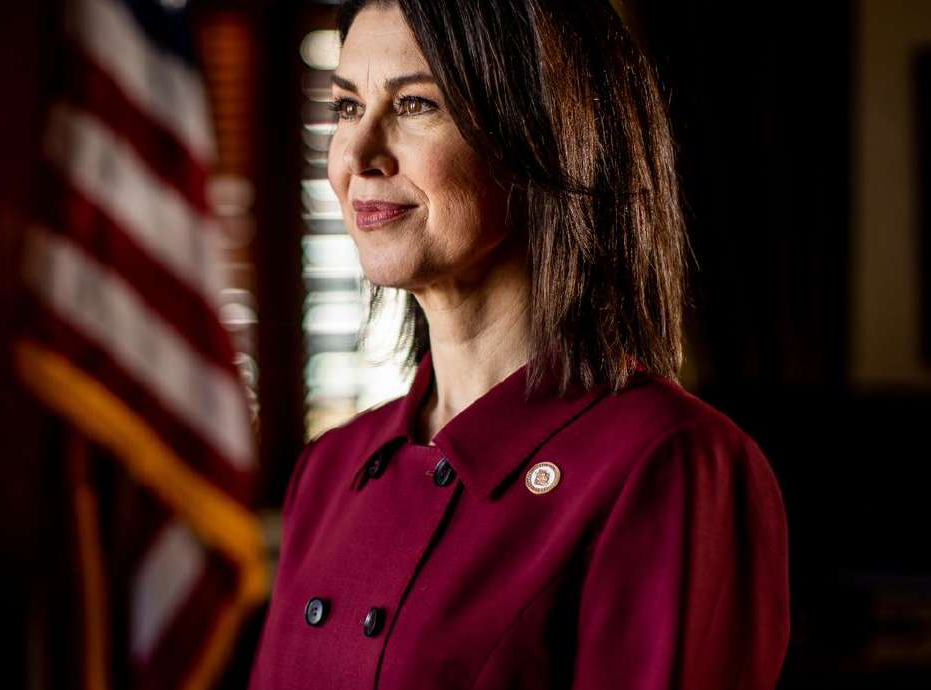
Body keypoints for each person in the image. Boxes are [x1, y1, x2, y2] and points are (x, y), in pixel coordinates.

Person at [247, 0, 790, 688]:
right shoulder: (329, 470)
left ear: (544, 133)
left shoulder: (672, 465)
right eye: (348, 107)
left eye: (416, 105)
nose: (357, 156)